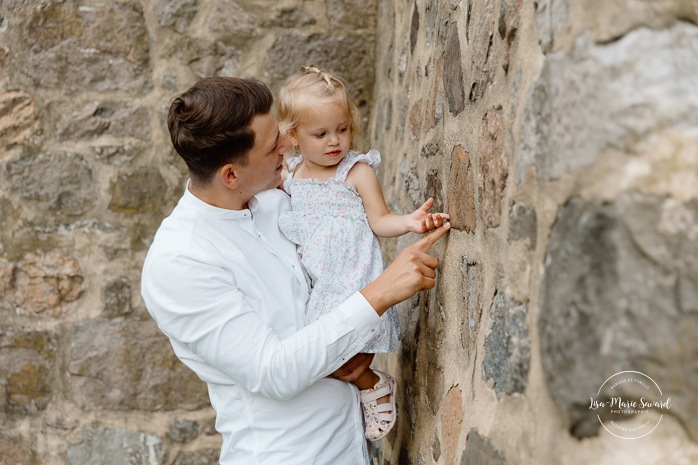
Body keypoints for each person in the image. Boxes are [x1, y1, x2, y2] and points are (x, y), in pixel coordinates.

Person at [140, 76, 450, 465]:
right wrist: (379, 294)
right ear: (231, 175)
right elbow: (273, 372)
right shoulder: (180, 263)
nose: (289, 146)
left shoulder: (277, 204)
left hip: (351, 447)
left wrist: (358, 344)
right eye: (274, 145)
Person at [276, 64, 449, 441]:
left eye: (342, 128)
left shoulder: (355, 171)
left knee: (350, 356)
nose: (334, 141)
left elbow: (380, 220)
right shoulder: (291, 178)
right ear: (292, 136)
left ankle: (372, 385)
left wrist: (409, 222)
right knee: (321, 358)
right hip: (320, 285)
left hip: (355, 278)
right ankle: (364, 389)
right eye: (320, 134)